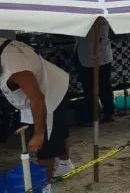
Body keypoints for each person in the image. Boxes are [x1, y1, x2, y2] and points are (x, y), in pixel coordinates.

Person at [0, 39, 75, 178]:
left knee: (46, 141)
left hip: (50, 91)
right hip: (40, 87)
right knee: (56, 133)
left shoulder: (14, 65)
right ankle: (65, 164)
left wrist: (38, 135)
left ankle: (44, 184)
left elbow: (38, 99)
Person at [76, 28, 115, 124]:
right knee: (99, 87)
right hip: (90, 54)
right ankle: (99, 114)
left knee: (98, 87)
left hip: (95, 55)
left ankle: (100, 114)